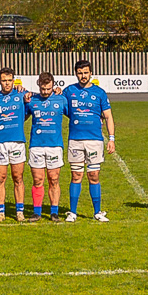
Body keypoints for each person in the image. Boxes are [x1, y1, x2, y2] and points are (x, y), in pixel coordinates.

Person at [64, 60, 114, 222]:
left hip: (95, 140)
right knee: (76, 175)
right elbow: (58, 105)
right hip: (75, 140)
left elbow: (108, 116)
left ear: (91, 73)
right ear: (75, 73)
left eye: (85, 72)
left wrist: (111, 138)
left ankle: (97, 212)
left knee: (93, 175)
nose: (83, 76)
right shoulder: (69, 91)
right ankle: (72, 212)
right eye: (80, 73)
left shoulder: (99, 93)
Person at [0, 68, 32, 222]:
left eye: (9, 80)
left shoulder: (22, 95)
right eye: (4, 80)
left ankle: (20, 211)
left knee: (18, 177)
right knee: (0, 177)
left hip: (17, 142)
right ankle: (0, 211)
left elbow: (34, 106)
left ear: (14, 80)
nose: (6, 83)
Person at [26, 73, 68, 221]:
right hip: (36, 146)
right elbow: (22, 117)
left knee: (54, 179)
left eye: (48, 89)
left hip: (54, 146)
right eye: (43, 89)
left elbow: (74, 115)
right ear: (38, 85)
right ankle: (37, 211)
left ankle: (54, 212)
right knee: (38, 179)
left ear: (53, 85)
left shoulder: (61, 99)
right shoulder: (32, 100)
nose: (45, 92)